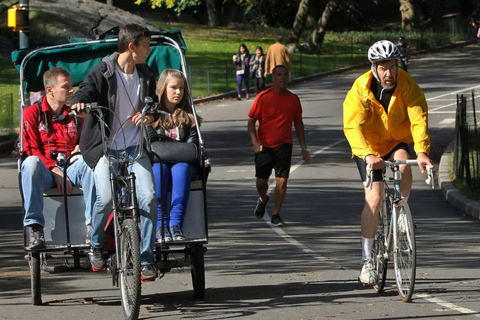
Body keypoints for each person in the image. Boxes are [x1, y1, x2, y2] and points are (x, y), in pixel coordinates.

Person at [70, 23, 160, 281]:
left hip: (135, 148)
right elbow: (84, 91)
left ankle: (146, 259)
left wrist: (149, 116)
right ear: (132, 47)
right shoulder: (103, 71)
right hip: (105, 150)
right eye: (146, 45)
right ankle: (96, 244)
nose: (149, 50)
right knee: (106, 198)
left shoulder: (145, 74)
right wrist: (78, 104)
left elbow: (151, 104)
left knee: (149, 198)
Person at [343, 40, 434, 285]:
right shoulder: (360, 89)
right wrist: (368, 155)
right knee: (373, 199)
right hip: (369, 147)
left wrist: (423, 151)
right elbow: (352, 127)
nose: (389, 73)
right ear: (374, 68)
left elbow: (418, 119)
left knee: (403, 163)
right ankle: (367, 262)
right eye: (383, 68)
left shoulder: (408, 85)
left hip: (396, 140)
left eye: (392, 66)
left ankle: (401, 208)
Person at [21, 67, 95, 250]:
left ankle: (93, 227)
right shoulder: (32, 113)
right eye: (66, 86)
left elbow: (86, 143)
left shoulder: (75, 114)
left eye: (72, 86)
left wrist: (82, 147)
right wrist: (53, 169)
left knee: (92, 163)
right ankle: (35, 228)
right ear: (49, 90)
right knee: (30, 163)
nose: (72, 90)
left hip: (71, 166)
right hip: (45, 170)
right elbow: (30, 149)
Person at [248, 65, 310, 226]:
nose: (282, 78)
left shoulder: (293, 100)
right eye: (279, 75)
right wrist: (255, 143)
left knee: (282, 180)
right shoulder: (263, 97)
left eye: (285, 75)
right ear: (273, 78)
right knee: (261, 183)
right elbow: (251, 122)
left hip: (284, 145)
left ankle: (276, 214)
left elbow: (298, 123)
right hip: (264, 146)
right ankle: (263, 198)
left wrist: (304, 147)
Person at [149, 69, 201, 242]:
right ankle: (160, 224)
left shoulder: (189, 117)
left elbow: (193, 147)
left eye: (182, 88)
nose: (178, 92)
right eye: (173, 87)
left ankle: (175, 223)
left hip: (184, 164)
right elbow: (149, 145)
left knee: (181, 169)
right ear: (163, 88)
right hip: (159, 162)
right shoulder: (151, 116)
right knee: (158, 169)